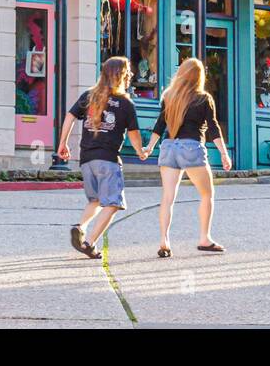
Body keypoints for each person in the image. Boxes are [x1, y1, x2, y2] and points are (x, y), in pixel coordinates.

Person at [141, 56, 231, 257]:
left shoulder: (169, 96)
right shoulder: (203, 98)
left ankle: (164, 240)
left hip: (168, 147)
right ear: (199, 77)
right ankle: (204, 238)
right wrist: (224, 154)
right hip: (191, 148)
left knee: (168, 198)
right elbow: (213, 129)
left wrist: (149, 147)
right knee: (207, 194)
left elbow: (159, 125)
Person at [57, 56, 144, 259]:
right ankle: (89, 243)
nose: (130, 75)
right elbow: (134, 134)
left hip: (87, 159)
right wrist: (141, 151)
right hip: (108, 160)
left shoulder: (89, 96)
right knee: (113, 204)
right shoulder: (125, 103)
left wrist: (63, 143)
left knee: (95, 200)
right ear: (122, 76)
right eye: (128, 72)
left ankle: (80, 227)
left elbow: (70, 116)